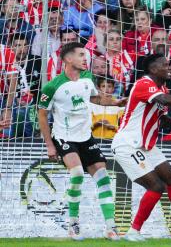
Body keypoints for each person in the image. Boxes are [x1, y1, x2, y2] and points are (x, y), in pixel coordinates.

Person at [111, 53, 171, 242]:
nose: (169, 68)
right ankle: (133, 232)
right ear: (153, 69)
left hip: (146, 145)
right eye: (165, 65)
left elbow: (159, 120)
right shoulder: (144, 83)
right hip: (127, 144)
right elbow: (164, 100)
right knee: (156, 186)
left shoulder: (160, 87)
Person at [37, 42, 123, 241]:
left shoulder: (87, 78)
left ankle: (111, 227)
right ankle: (73, 223)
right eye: (81, 55)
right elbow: (42, 115)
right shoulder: (52, 86)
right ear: (68, 59)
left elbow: (96, 99)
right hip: (64, 136)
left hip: (86, 136)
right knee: (77, 174)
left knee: (103, 177)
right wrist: (49, 145)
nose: (86, 59)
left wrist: (115, 102)